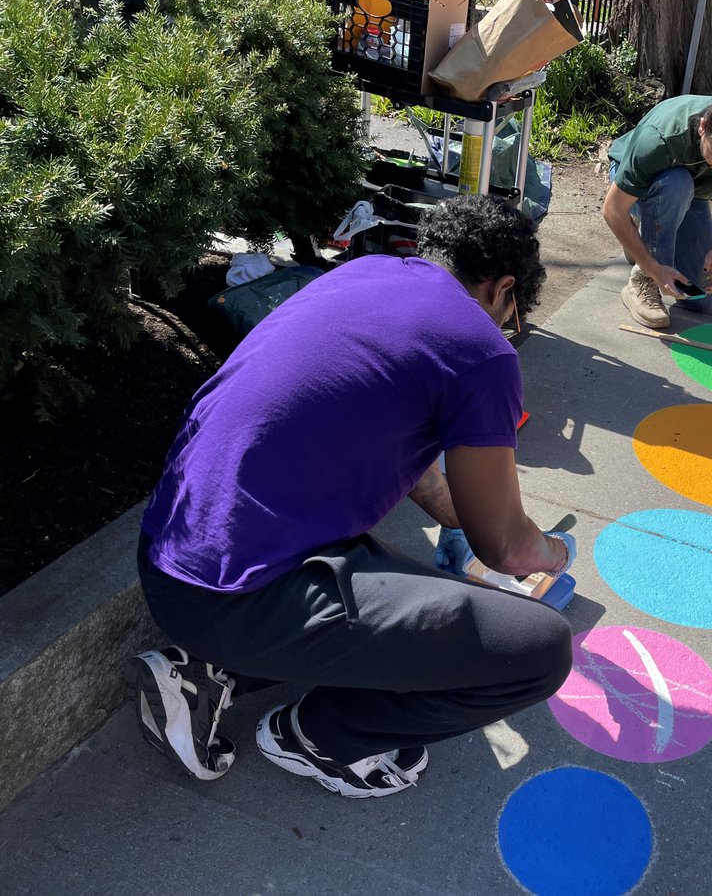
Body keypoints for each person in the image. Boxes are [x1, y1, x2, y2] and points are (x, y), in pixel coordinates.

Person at [126, 195, 576, 798]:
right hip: (239, 599)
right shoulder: (481, 352)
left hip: (170, 557)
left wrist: (462, 519)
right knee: (539, 650)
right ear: (503, 289)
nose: (506, 330)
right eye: (513, 315)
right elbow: (506, 548)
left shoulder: (361, 275)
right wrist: (552, 553)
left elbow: (384, 446)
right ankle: (319, 738)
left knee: (411, 588)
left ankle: (205, 676)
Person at [602, 73, 712, 329]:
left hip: (687, 196)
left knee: (699, 297)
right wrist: (653, 269)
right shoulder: (662, 138)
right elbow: (613, 210)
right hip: (636, 186)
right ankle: (641, 281)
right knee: (677, 183)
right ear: (702, 128)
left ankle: (645, 236)